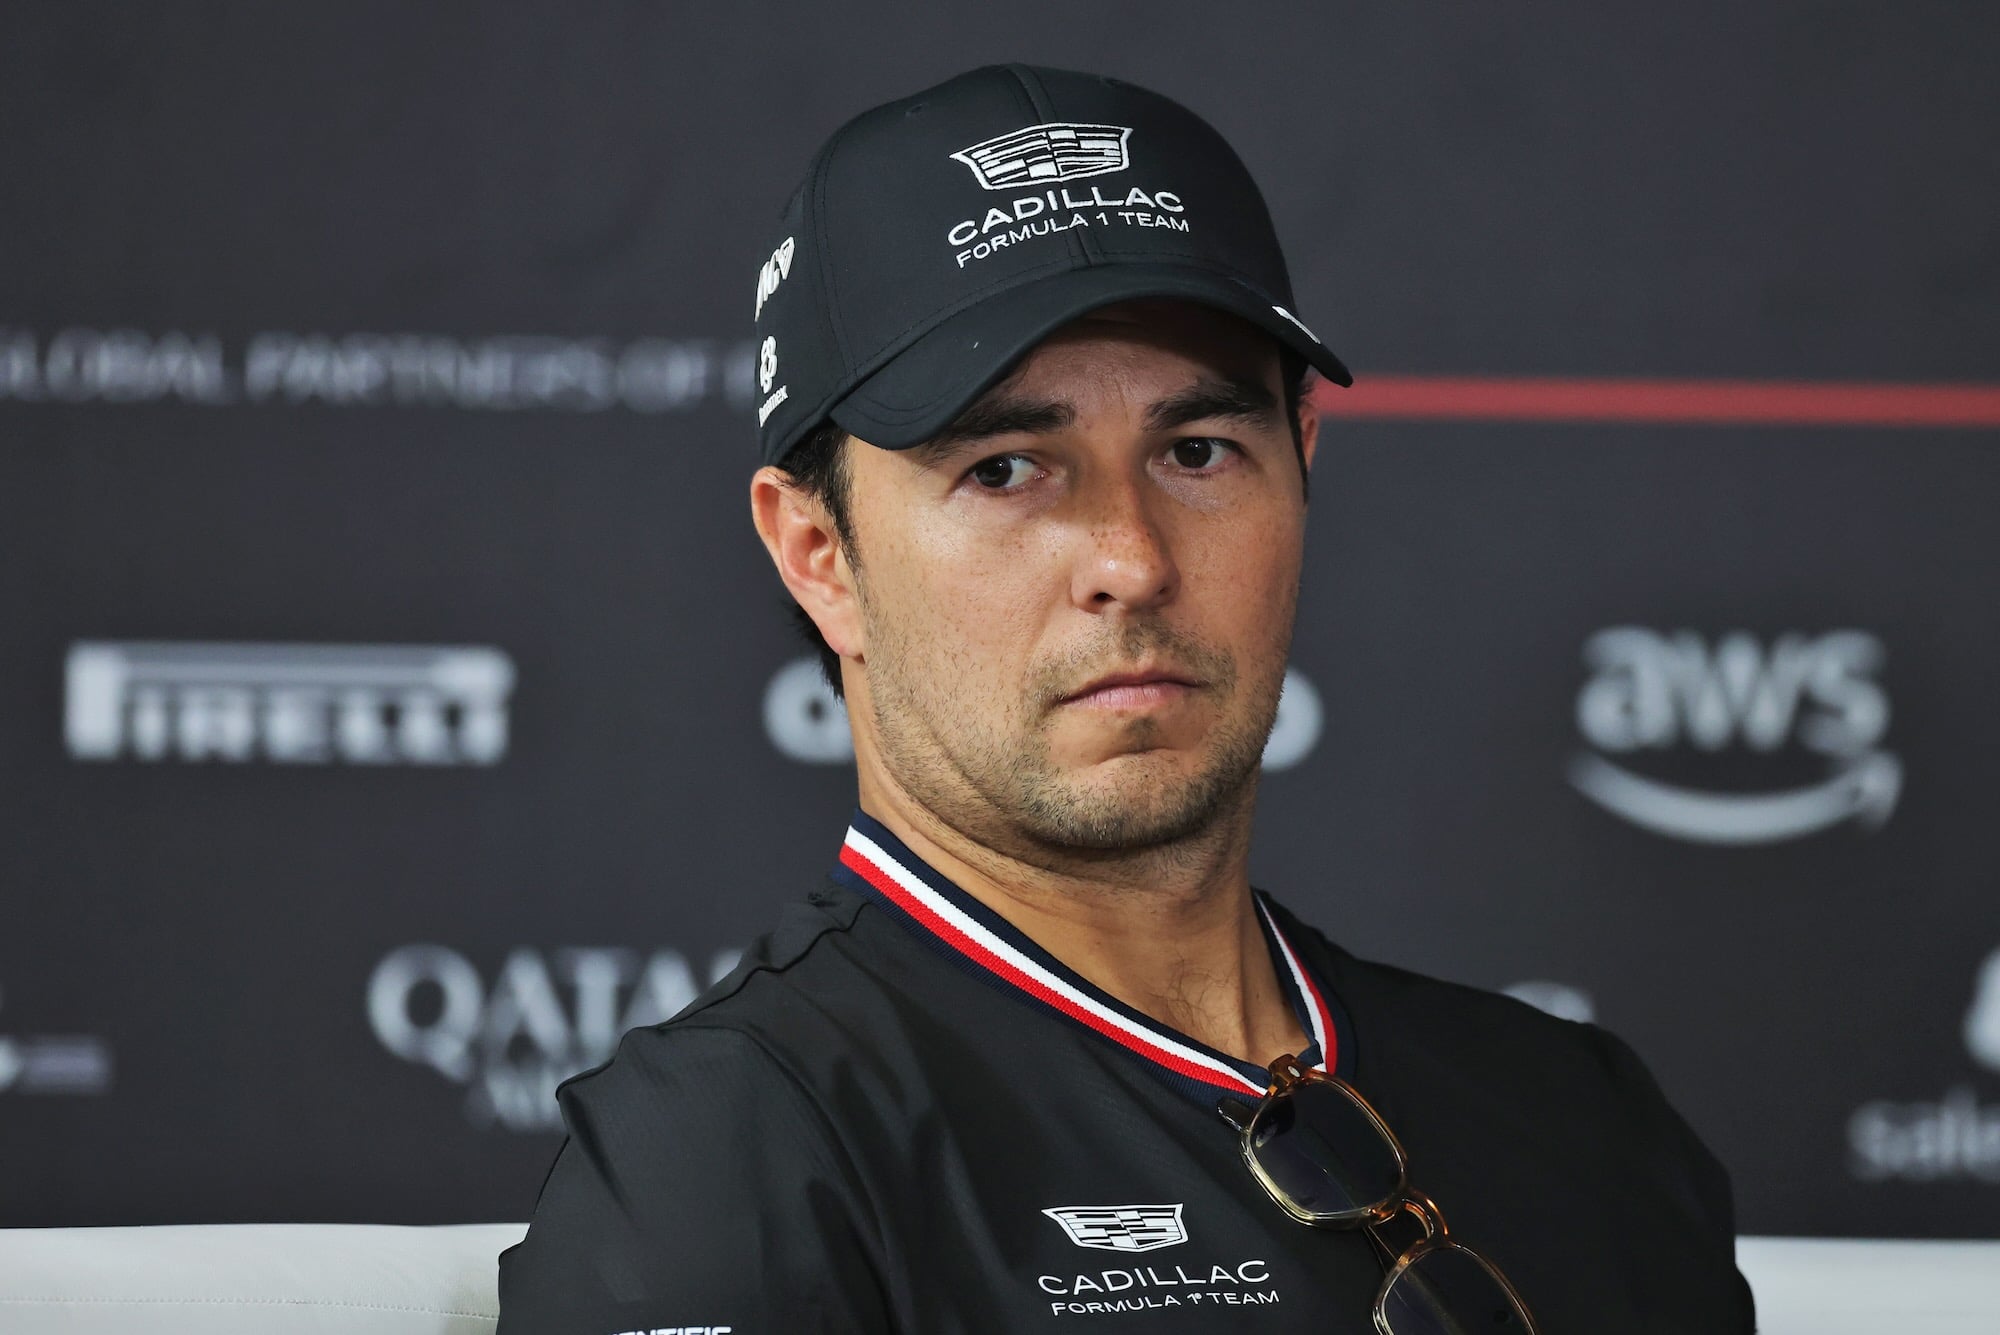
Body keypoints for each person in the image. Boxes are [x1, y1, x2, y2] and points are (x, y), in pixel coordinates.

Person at [496, 64, 1755, 1334]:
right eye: (1003, 470)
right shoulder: (740, 1144)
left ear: (1301, 468)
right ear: (820, 554)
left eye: (1196, 452)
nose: (1133, 561)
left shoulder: (1576, 1116)